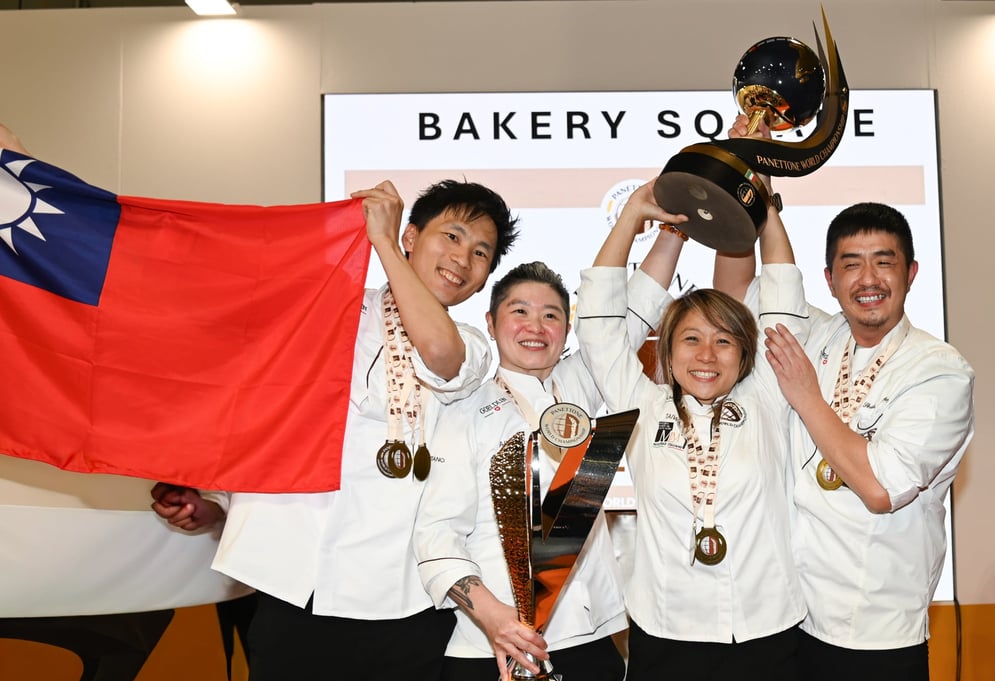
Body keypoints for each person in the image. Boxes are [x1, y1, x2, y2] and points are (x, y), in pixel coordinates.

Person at [153, 178, 520, 681]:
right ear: (413, 236)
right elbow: (256, 404)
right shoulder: (330, 306)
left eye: (482, 252)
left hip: (403, 598)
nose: (463, 258)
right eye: (452, 236)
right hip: (296, 585)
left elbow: (439, 354)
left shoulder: (472, 342)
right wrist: (215, 503)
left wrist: (382, 244)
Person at [715, 116, 976, 680]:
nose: (868, 278)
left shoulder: (939, 372)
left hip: (874, 633)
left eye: (884, 261)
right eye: (852, 264)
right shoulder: (816, 333)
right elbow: (733, 295)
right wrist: (745, 177)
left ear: (910, 274)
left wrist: (807, 396)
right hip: (789, 616)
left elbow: (880, 489)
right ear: (830, 279)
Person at [413, 181, 687, 681]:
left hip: (591, 641)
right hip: (493, 647)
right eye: (519, 311)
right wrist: (497, 621)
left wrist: (676, 226)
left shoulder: (577, 385)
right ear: (491, 322)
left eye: (551, 314)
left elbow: (639, 305)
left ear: (567, 328)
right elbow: (436, 538)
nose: (535, 325)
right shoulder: (462, 405)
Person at [574, 177, 809, 681]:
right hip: (667, 631)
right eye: (691, 339)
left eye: (723, 341)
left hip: (766, 629)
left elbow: (785, 294)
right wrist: (632, 218)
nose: (706, 356)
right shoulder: (642, 403)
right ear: (667, 349)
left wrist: (762, 205)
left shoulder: (766, 397)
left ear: (745, 353)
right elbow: (597, 326)